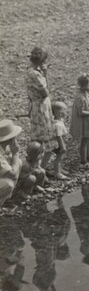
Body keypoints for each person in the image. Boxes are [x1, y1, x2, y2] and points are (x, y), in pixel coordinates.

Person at [25, 46, 56, 175]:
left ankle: (39, 168)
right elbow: (46, 92)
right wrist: (46, 74)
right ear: (41, 60)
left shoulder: (31, 71)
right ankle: (39, 169)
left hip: (38, 106)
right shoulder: (35, 74)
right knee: (43, 138)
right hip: (40, 108)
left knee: (39, 137)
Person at [69, 73, 89, 170]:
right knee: (84, 141)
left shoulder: (86, 94)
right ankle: (83, 162)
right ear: (83, 85)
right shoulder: (80, 97)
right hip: (83, 122)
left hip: (88, 121)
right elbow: (81, 112)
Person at [0, 120, 24, 208]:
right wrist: (15, 153)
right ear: (11, 139)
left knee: (18, 162)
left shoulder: (3, 147)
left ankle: (6, 197)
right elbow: (13, 175)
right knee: (8, 184)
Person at [51, 100, 68, 179]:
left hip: (59, 143)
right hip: (58, 144)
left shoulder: (58, 121)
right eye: (65, 111)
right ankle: (57, 173)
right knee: (58, 158)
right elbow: (59, 136)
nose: (66, 113)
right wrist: (62, 146)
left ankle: (60, 169)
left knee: (61, 158)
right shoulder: (58, 124)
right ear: (61, 113)